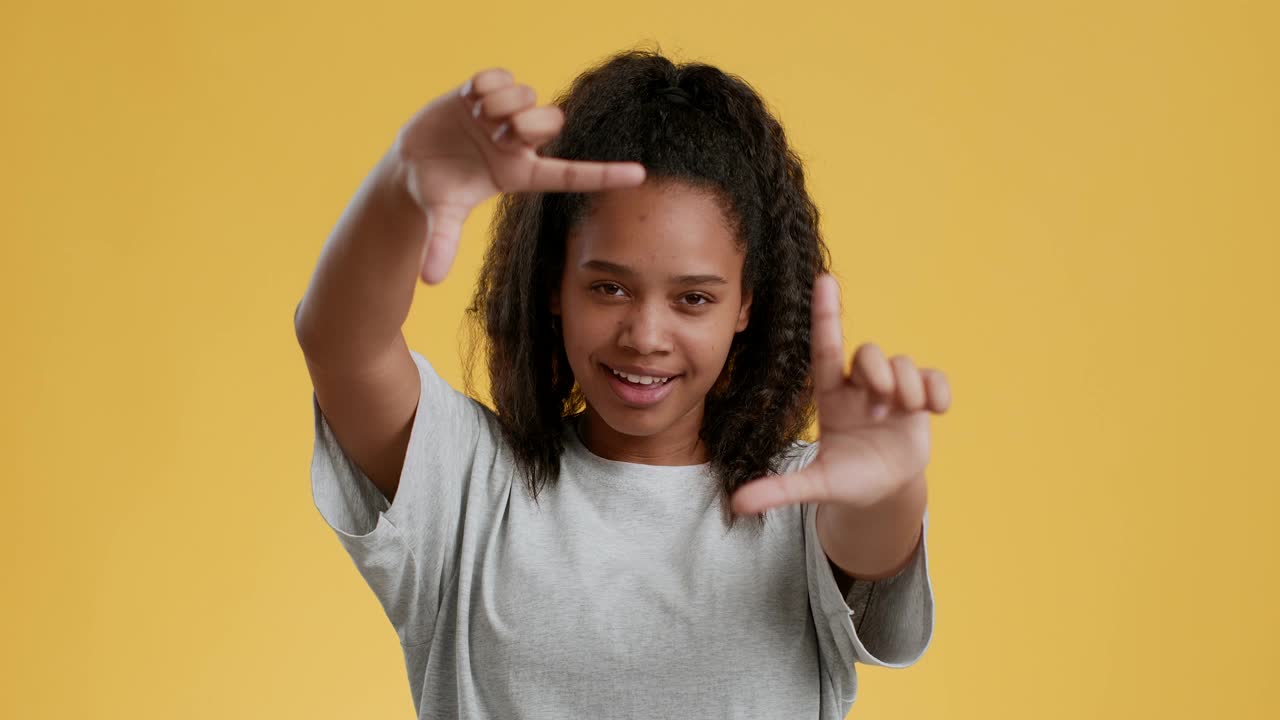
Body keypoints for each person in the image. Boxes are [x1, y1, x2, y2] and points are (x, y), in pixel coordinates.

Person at [295, 48, 949, 719]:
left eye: (693, 299)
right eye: (609, 287)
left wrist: (892, 487)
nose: (645, 334)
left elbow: (869, 540)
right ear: (555, 286)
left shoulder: (803, 501)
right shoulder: (470, 486)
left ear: (746, 305)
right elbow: (344, 345)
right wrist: (403, 185)